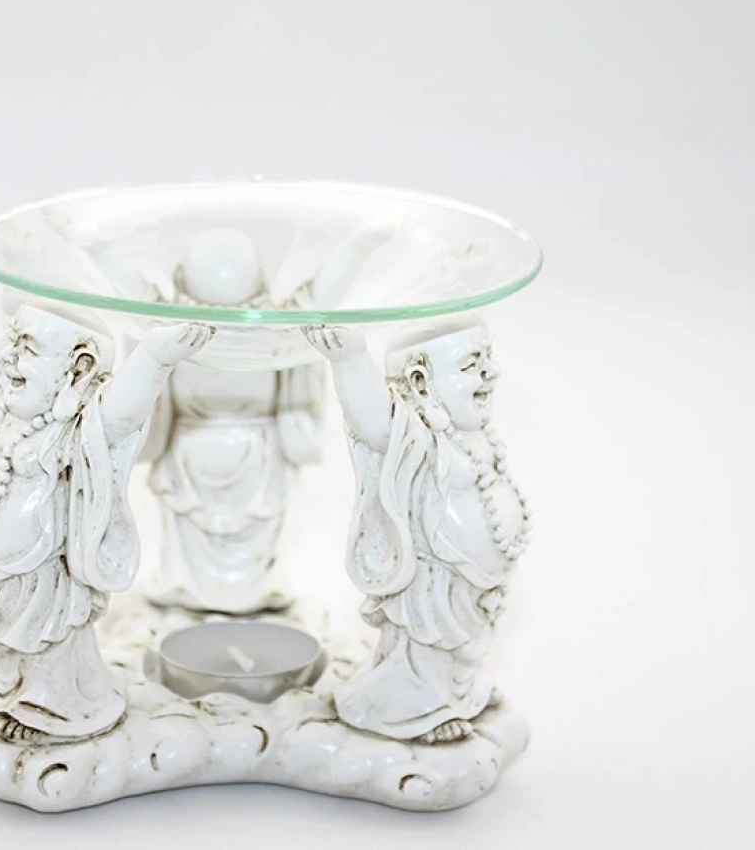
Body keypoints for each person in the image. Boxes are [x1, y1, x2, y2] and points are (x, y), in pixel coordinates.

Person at [54, 216, 398, 613]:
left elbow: (136, 297)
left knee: (255, 542)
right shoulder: (181, 330)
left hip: (256, 457)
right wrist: (96, 247)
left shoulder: (261, 329)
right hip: (191, 453)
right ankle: (187, 596)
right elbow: (136, 298)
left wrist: (359, 245)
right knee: (186, 546)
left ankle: (255, 596)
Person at [0, 303, 211, 741]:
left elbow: (119, 415)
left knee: (47, 649)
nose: (10, 357)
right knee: (1, 650)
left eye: (27, 348)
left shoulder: (69, 431)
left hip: (43, 579)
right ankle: (0, 695)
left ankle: (49, 707)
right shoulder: (7, 421)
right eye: (10, 344)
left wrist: (153, 357)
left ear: (78, 370)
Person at [306, 317, 531, 743]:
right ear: (421, 383)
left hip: (474, 586)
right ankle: (416, 707)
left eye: (488, 358)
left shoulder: (474, 436)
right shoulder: (419, 438)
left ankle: (461, 694)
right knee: (426, 651)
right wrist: (351, 358)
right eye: (472, 365)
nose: (492, 372)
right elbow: (373, 419)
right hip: (433, 581)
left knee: (465, 648)